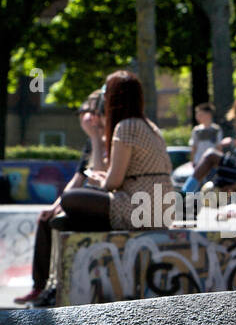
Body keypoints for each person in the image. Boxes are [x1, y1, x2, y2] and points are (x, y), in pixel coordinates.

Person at [16, 88, 107, 305]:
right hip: (86, 199)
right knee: (48, 219)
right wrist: (55, 205)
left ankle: (64, 284)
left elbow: (105, 176)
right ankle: (40, 285)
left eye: (90, 112)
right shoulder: (90, 144)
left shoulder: (110, 139)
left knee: (63, 223)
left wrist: (96, 138)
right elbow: (77, 180)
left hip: (105, 203)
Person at [60, 70, 175, 230]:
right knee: (70, 219)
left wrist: (100, 180)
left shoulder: (126, 127)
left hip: (140, 206)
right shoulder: (150, 126)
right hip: (162, 209)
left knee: (69, 199)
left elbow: (113, 182)